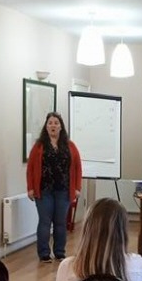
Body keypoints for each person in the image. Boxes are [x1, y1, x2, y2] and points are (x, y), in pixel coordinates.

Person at [26, 112, 82, 263]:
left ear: (61, 127)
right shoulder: (39, 146)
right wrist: (30, 188)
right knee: (45, 221)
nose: (53, 126)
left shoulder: (70, 146)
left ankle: (59, 253)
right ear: (46, 126)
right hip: (44, 190)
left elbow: (77, 167)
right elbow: (30, 168)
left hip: (64, 190)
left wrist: (77, 188)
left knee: (60, 222)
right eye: (50, 123)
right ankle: (44, 253)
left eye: (56, 123)